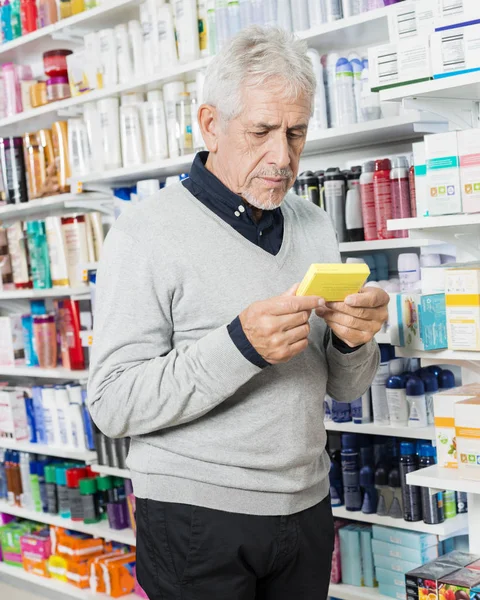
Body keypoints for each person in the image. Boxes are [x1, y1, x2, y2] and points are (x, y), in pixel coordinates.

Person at [88, 26, 389, 600]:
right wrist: (239, 345)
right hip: (196, 515)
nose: (282, 156)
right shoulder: (144, 234)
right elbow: (112, 404)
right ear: (209, 124)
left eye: (296, 133)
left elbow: (346, 389)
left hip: (305, 505)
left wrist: (354, 342)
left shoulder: (313, 223)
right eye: (262, 131)